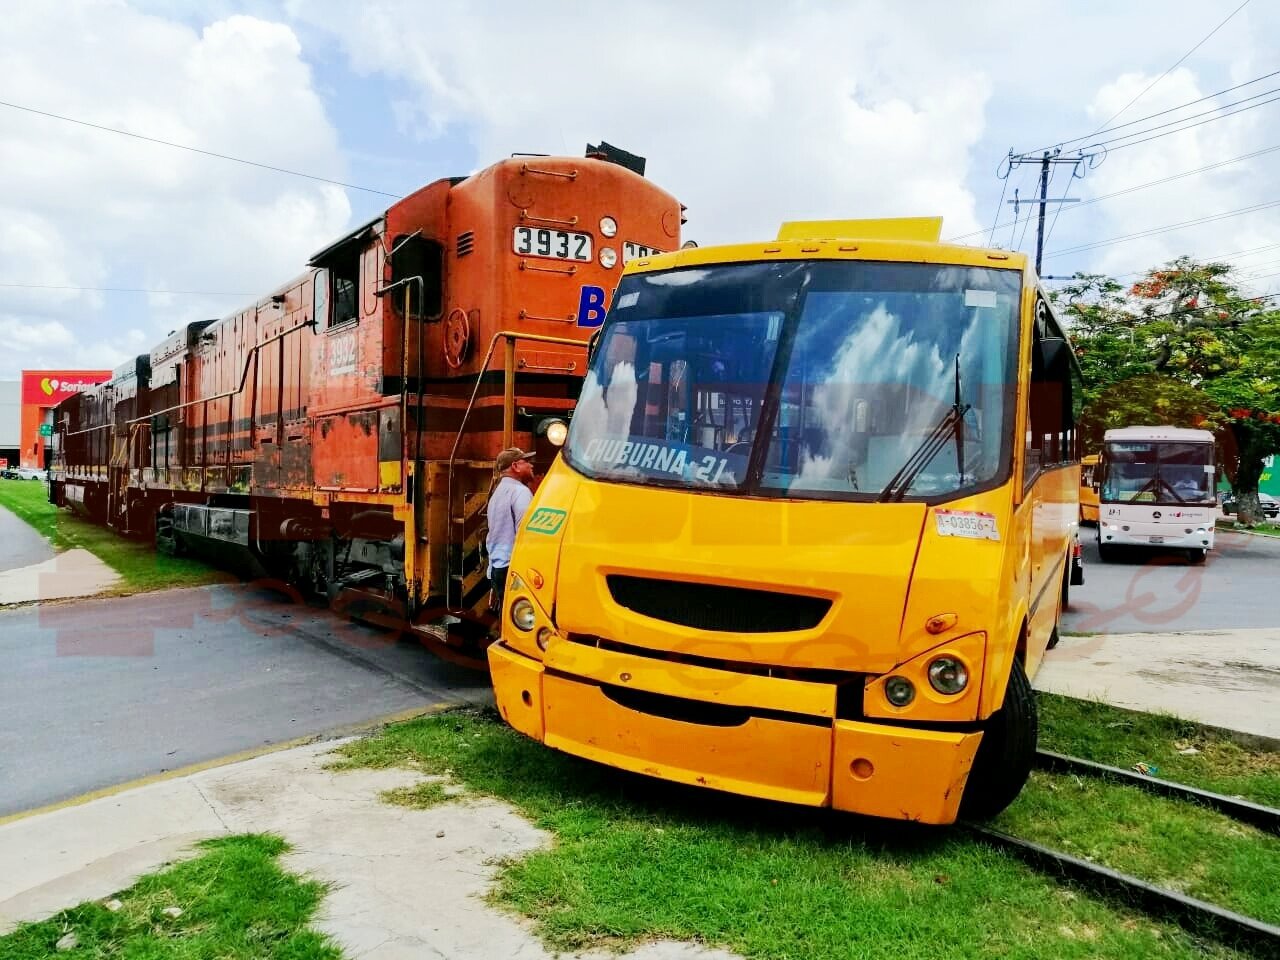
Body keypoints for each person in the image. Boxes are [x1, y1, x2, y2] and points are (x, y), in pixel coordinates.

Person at [486, 447, 536, 614]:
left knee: (505, 616)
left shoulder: (497, 494)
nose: (531, 465)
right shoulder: (520, 492)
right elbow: (525, 534)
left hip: (498, 567)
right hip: (513, 569)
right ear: (515, 466)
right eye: (526, 462)